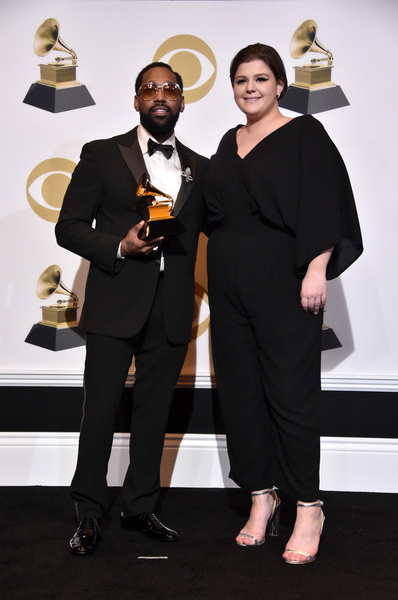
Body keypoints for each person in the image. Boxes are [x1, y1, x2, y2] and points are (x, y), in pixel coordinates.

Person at [204, 44, 363, 564]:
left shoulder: (304, 134)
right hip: (228, 283)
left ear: (279, 86)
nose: (250, 88)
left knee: (291, 398)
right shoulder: (228, 142)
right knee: (242, 394)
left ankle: (308, 506)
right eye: (241, 80)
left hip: (284, 279)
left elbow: (324, 200)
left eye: (261, 79)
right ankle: (260, 498)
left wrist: (317, 268)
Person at [56, 62, 208, 555]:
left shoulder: (200, 168)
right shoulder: (102, 155)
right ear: (136, 99)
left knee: (153, 414)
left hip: (170, 311)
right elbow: (69, 226)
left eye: (170, 89)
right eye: (150, 88)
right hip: (114, 304)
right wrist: (118, 247)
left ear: (182, 102)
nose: (160, 95)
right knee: (98, 413)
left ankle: (140, 506)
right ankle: (88, 513)